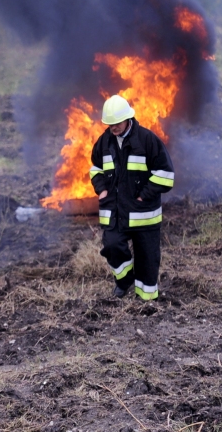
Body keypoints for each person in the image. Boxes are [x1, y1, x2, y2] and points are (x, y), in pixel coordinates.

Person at [89, 95, 174, 300]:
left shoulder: (147, 140)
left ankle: (147, 300)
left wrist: (144, 195)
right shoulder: (104, 142)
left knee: (147, 260)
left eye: (116, 123)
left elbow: (166, 175)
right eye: (109, 124)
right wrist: (102, 189)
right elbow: (96, 169)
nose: (113, 128)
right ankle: (124, 281)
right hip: (115, 211)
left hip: (144, 214)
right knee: (112, 246)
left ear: (127, 119)